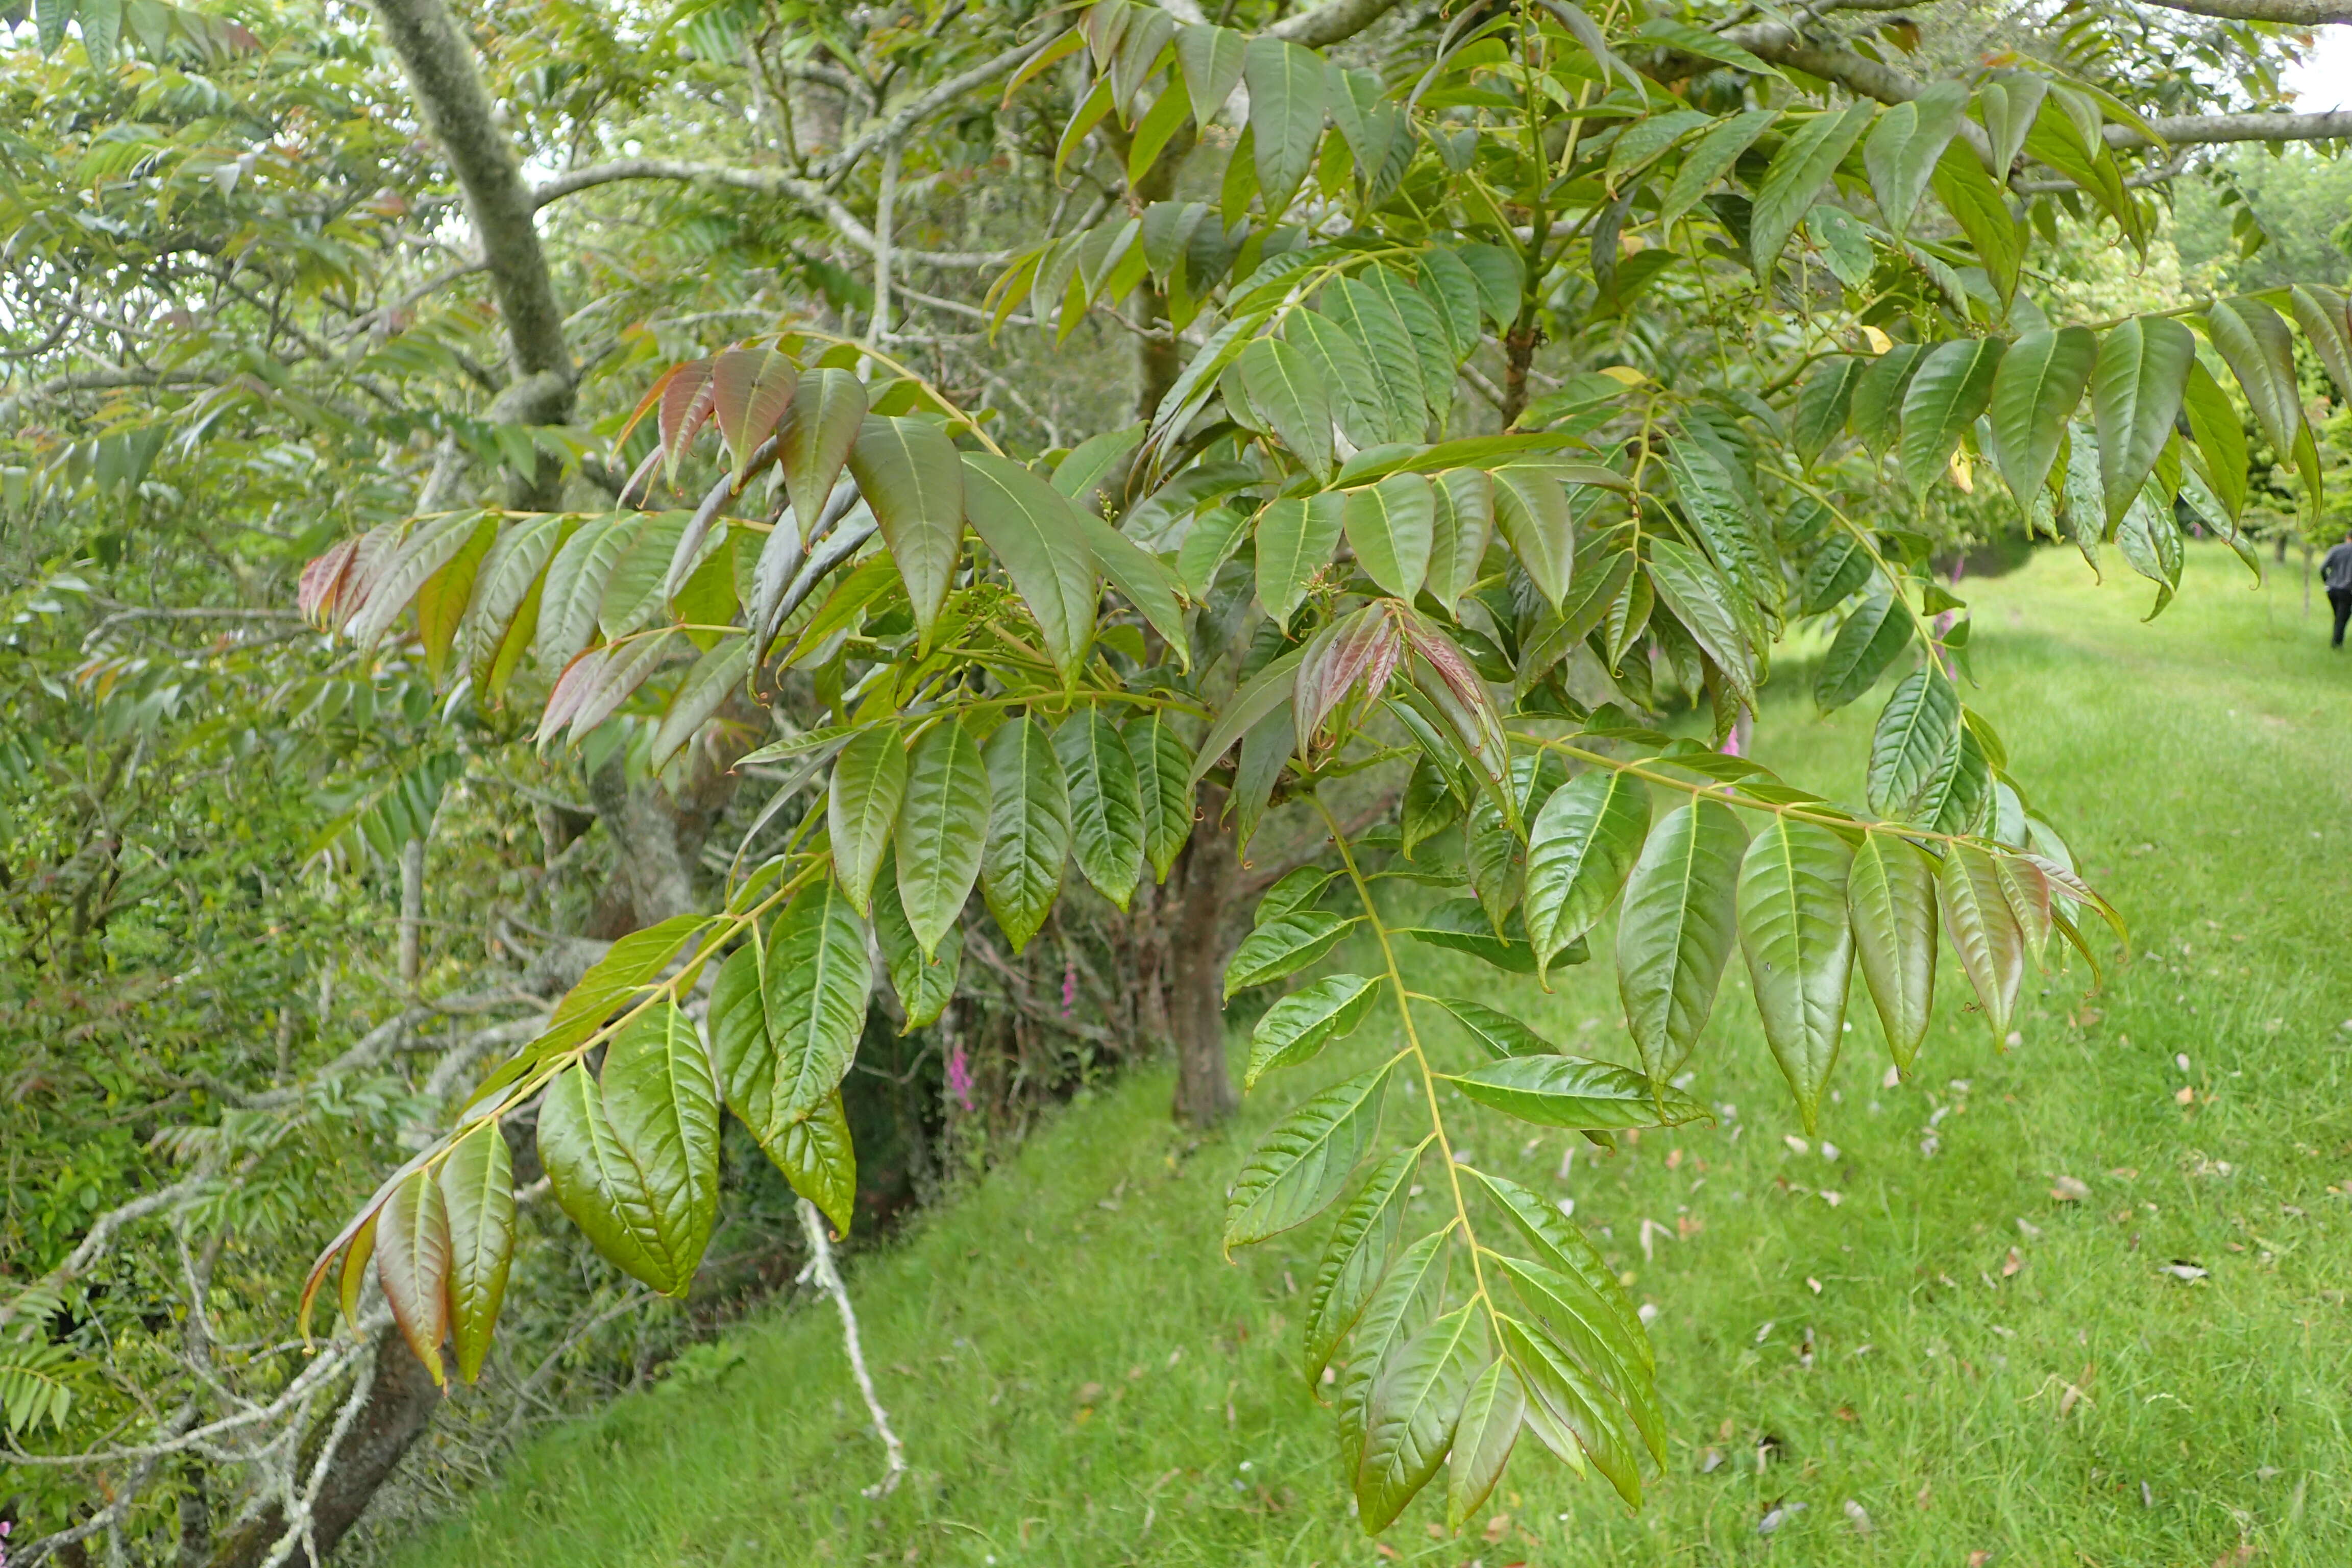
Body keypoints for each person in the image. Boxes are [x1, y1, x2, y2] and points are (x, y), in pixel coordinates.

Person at [2328, 529, 2352, 650]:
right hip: (2348, 590)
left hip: (2332, 588)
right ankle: (2336, 644)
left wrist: (2327, 581)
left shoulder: (2336, 549)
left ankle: (2337, 642)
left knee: (2339, 615)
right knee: (2342, 617)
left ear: (2347, 537)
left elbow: (2323, 567)